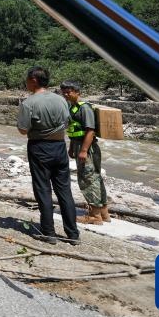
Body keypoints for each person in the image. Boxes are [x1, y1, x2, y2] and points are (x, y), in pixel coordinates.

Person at [17, 66, 79, 245]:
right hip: (60, 146)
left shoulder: (29, 103)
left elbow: (23, 130)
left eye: (27, 80)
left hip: (39, 147)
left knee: (43, 189)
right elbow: (67, 122)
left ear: (34, 80)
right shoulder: (61, 100)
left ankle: (48, 232)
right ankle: (73, 234)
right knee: (64, 190)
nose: (26, 83)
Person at [62, 81, 111, 224]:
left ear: (77, 92)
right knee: (94, 178)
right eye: (63, 92)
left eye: (68, 92)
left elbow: (90, 131)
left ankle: (95, 216)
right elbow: (75, 130)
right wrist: (72, 147)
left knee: (88, 179)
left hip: (87, 148)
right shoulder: (73, 107)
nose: (66, 94)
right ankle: (104, 213)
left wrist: (83, 150)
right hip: (79, 144)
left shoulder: (84, 108)